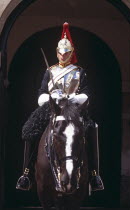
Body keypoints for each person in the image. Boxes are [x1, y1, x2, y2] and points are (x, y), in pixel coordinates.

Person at [16, 22, 104, 192]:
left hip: (74, 109)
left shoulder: (79, 72)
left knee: (92, 128)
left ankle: (94, 174)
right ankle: (25, 174)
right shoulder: (50, 71)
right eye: (61, 53)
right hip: (52, 108)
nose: (63, 55)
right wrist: (52, 97)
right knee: (29, 129)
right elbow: (41, 93)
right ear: (56, 53)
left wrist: (72, 97)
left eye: (67, 53)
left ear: (71, 53)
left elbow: (86, 94)